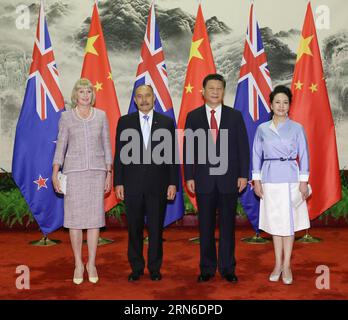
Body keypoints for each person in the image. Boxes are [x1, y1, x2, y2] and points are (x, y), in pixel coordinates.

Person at [184, 73, 250, 283]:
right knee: (205, 227)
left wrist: (243, 175)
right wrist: (189, 176)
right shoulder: (193, 116)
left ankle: (228, 268)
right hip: (203, 180)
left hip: (229, 179)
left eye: (219, 88)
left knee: (228, 227)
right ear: (203, 92)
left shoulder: (234, 116)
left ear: (223, 91)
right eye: (211, 88)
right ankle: (207, 268)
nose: (215, 92)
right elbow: (188, 150)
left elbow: (243, 148)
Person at [114, 84, 178, 282]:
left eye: (147, 96)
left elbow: (172, 156)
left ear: (154, 98)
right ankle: (136, 267)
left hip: (158, 185)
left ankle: (155, 268)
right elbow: (119, 155)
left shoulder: (166, 122)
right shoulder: (125, 122)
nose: (144, 100)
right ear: (134, 100)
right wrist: (119, 182)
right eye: (139, 96)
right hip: (132, 185)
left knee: (156, 230)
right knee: (134, 229)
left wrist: (172, 183)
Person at [52, 78, 112, 285]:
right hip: (74, 173)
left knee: (95, 220)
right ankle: (78, 263)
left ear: (92, 95)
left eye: (88, 92)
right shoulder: (66, 117)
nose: (85, 95)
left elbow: (106, 145)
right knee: (75, 221)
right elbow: (61, 146)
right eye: (81, 92)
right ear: (75, 95)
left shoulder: (101, 116)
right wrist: (55, 171)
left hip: (96, 173)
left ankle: (92, 263)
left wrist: (109, 172)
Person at [252, 85, 310, 285]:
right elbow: (256, 155)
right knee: (276, 224)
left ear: (289, 105)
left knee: (289, 224)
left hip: (291, 180)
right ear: (271, 104)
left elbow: (304, 155)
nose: (281, 106)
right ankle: (277, 263)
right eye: (277, 102)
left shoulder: (297, 128)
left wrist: (304, 183)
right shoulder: (262, 129)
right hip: (269, 180)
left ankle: (287, 266)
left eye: (285, 102)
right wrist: (256, 181)